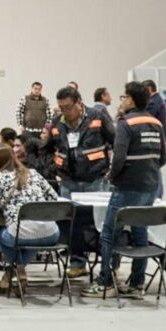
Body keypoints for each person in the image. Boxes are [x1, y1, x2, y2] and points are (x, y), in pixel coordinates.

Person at [84, 82, 166, 299]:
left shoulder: (126, 123)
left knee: (109, 234)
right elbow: (163, 158)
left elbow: (119, 158)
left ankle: (105, 283)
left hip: (127, 187)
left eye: (123, 97)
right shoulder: (156, 122)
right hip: (150, 187)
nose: (121, 101)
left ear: (131, 99)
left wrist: (112, 176)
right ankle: (137, 285)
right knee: (140, 233)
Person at [0, 143, 59, 293]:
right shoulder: (33, 173)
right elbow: (53, 198)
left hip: (20, 234)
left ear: (2, 161)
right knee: (29, 238)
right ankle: (13, 271)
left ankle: (16, 269)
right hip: (52, 234)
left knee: (0, 235)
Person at [49, 84, 115, 278]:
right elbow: (46, 149)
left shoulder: (98, 117)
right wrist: (55, 169)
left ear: (79, 103)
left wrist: (111, 171)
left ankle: (107, 266)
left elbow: (116, 142)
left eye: (68, 107)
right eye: (61, 108)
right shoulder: (57, 123)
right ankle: (77, 263)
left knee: (99, 224)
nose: (65, 112)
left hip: (95, 181)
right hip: (68, 182)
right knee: (73, 224)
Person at [143, 79, 166, 199]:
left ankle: (157, 195)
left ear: (149, 89)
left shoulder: (154, 102)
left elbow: (146, 115)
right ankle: (158, 194)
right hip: (160, 137)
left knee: (154, 166)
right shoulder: (157, 100)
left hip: (156, 138)